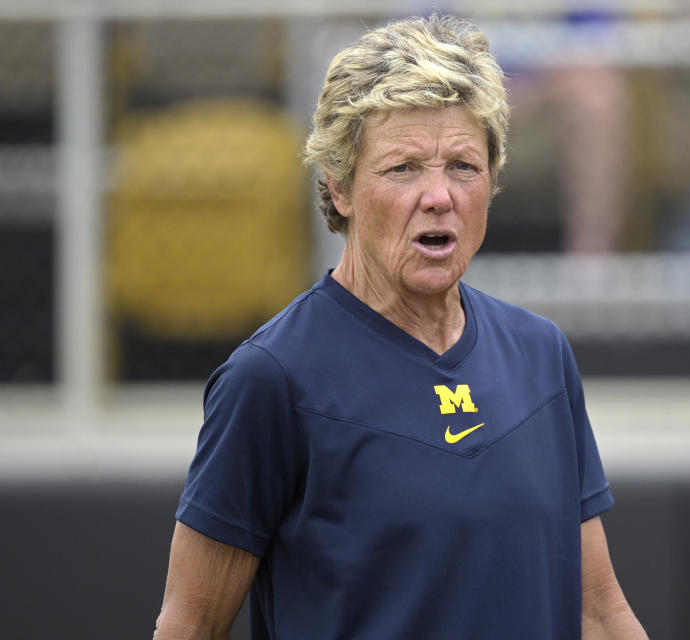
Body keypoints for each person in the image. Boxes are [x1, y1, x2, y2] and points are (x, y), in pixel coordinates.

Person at [154, 13, 649, 640]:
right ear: (339, 187)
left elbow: (598, 615)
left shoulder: (540, 354)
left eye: (463, 166)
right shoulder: (271, 379)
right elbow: (190, 628)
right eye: (404, 168)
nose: (439, 195)